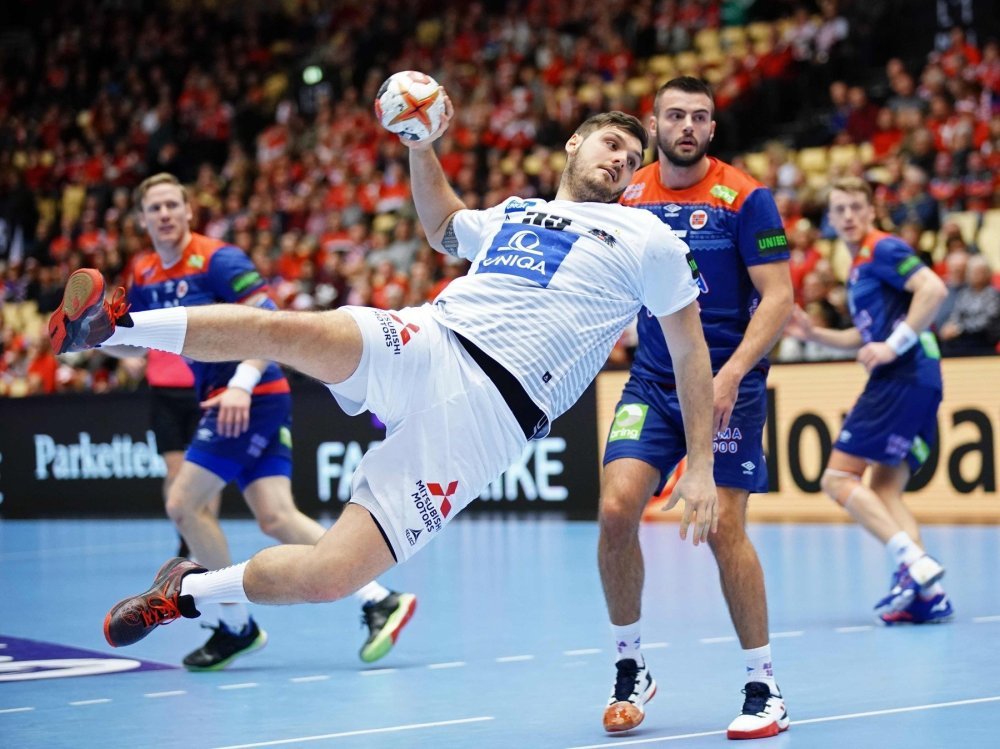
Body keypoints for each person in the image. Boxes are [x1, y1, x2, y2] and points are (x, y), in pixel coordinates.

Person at [48, 106, 720, 691]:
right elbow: (443, 225)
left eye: (632, 158)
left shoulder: (649, 240)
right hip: (431, 339)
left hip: (487, 423)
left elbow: (690, 352)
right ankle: (112, 327)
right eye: (611, 144)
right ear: (575, 143)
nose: (621, 160)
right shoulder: (516, 212)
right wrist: (420, 143)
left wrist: (700, 464)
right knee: (288, 331)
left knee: (331, 575)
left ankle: (186, 592)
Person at [82, 173, 417, 669]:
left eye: (173, 204)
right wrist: (96, 337)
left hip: (249, 395)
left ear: (189, 211)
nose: (165, 214)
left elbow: (270, 320)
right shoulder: (146, 270)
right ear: (142, 219)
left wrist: (242, 382)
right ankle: (378, 598)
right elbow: (142, 343)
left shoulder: (218, 259)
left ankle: (235, 625)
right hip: (232, 399)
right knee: (276, 516)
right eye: (155, 208)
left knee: (183, 503)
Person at [600, 77, 794, 739]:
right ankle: (630, 666)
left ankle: (764, 685)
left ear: (712, 128)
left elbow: (778, 297)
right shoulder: (628, 195)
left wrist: (732, 373)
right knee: (615, 509)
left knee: (722, 528)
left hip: (728, 385)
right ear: (654, 124)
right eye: (676, 115)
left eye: (700, 117)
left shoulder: (745, 197)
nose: (688, 125)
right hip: (654, 381)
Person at [785, 176, 953, 625]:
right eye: (839, 209)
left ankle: (915, 564)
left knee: (837, 478)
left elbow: (933, 290)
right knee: (883, 489)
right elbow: (862, 337)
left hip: (901, 376)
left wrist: (893, 347)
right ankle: (929, 596)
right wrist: (813, 333)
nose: (848, 216)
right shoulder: (859, 264)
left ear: (872, 210)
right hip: (918, 378)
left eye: (856, 207)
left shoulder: (882, 247)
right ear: (829, 218)